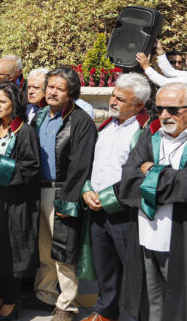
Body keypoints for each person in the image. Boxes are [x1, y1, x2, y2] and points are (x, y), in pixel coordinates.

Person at [78, 73, 151, 321]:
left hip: (125, 211)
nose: (113, 101)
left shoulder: (146, 131)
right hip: (96, 208)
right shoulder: (106, 126)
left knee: (131, 269)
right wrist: (86, 188)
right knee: (104, 264)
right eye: (113, 95)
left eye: (121, 98)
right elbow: (90, 163)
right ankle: (105, 311)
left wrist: (106, 198)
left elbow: (140, 176)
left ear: (139, 105)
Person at [31, 67, 96, 321]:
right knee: (44, 248)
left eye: (60, 88)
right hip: (40, 189)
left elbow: (81, 165)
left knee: (64, 251)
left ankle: (67, 305)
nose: (53, 91)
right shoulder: (39, 116)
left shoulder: (80, 121)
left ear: (71, 93)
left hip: (63, 191)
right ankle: (45, 294)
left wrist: (68, 200)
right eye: (50, 86)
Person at [118, 82, 187, 321]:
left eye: (173, 110)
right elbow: (128, 178)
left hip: (179, 236)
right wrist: (169, 179)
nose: (165, 116)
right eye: (159, 109)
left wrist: (152, 173)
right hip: (146, 235)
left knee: (180, 301)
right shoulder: (152, 136)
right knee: (151, 301)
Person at [0, 82, 40, 320]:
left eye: (3, 101)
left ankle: (11, 300)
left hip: (17, 201)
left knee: (13, 253)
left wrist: (1, 161)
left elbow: (31, 167)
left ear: (14, 104)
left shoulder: (24, 131)